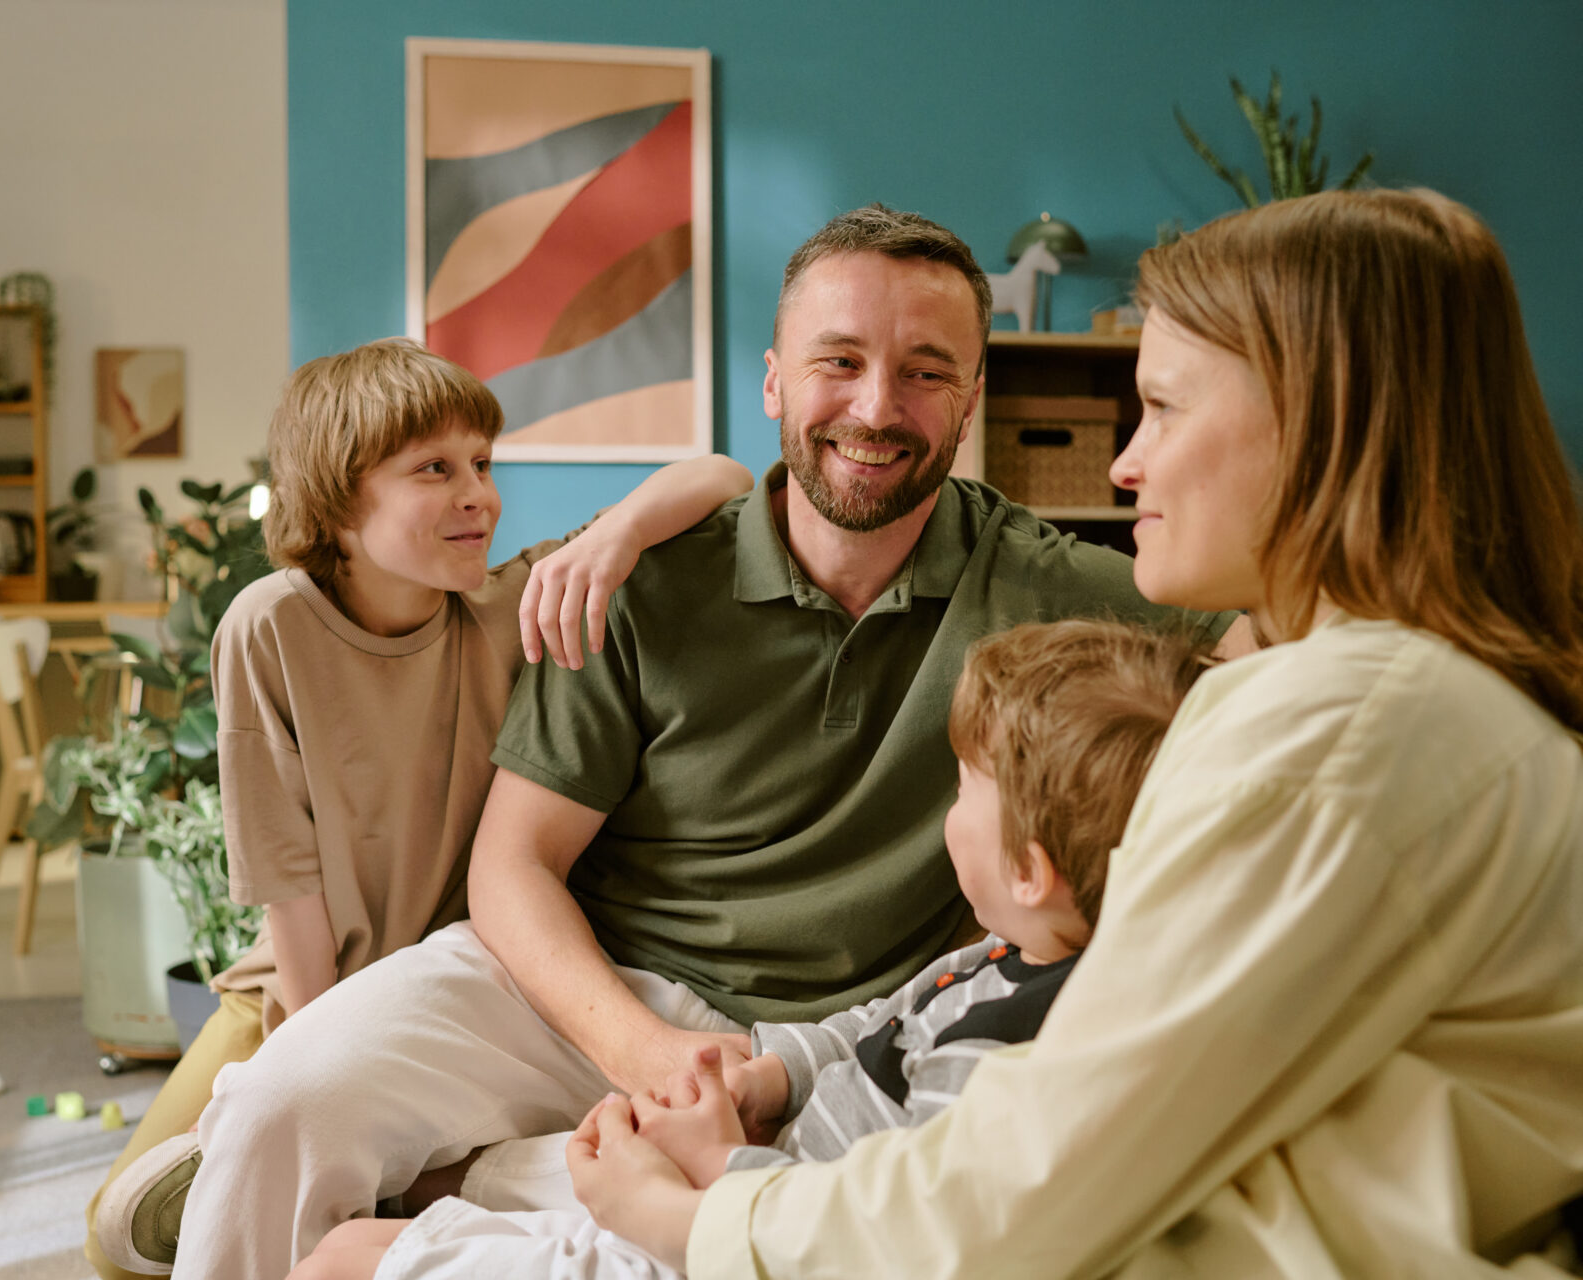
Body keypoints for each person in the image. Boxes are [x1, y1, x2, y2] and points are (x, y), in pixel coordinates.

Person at [164, 204, 1247, 1280]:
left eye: (925, 372)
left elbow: (1284, 633)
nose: (877, 407)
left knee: (799, 1210)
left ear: (971, 401)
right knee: (281, 1102)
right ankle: (474, 1172)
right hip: (582, 985)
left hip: (828, 1043)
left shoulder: (1055, 587)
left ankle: (491, 1179)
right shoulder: (638, 574)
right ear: (774, 379)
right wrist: (646, 1053)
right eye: (840, 361)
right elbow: (513, 865)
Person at [571, 188, 1583, 1278]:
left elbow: (1025, 1184)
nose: (1123, 463)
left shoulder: (1342, 735)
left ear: (1321, 421)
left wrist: (707, 1212)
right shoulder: (1405, 698)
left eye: (1163, 407)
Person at [87, 337, 752, 1279]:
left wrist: (616, 534)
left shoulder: (512, 603)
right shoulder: (269, 625)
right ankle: (312, 1159)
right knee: (114, 1241)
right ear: (337, 499)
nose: (477, 492)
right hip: (300, 989)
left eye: (483, 463)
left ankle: (399, 1179)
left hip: (454, 994)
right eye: (433, 469)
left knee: (383, 1202)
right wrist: (314, 1064)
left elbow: (723, 475)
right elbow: (290, 889)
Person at [292, 618, 1219, 1280]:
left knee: (343, 1261)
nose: (950, 811)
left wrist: (710, 1165)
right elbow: (875, 1027)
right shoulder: (998, 956)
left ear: (1031, 868)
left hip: (733, 1236)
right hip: (748, 1179)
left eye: (967, 790)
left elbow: (872, 1237)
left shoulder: (1007, 1048)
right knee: (438, 1193)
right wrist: (770, 1077)